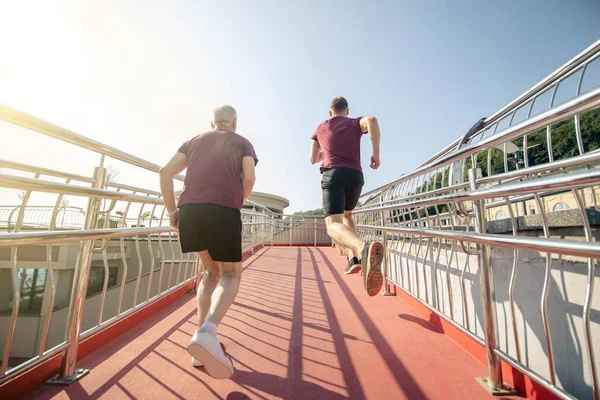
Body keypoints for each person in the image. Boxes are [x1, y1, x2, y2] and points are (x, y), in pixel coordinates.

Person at [159, 105, 257, 378]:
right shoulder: (242, 142)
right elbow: (249, 177)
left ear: (211, 123)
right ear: (234, 122)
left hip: (190, 210)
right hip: (223, 209)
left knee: (209, 271)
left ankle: (199, 342)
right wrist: (237, 201)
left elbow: (165, 172)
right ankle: (207, 332)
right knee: (230, 274)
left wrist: (172, 211)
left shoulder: (193, 141)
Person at [310, 96, 384, 296]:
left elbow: (312, 159)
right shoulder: (353, 123)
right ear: (347, 110)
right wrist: (376, 154)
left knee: (332, 225)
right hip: (356, 176)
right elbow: (372, 121)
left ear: (330, 112)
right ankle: (355, 259)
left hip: (334, 174)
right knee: (347, 215)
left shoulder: (321, 127)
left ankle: (362, 249)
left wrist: (326, 152)